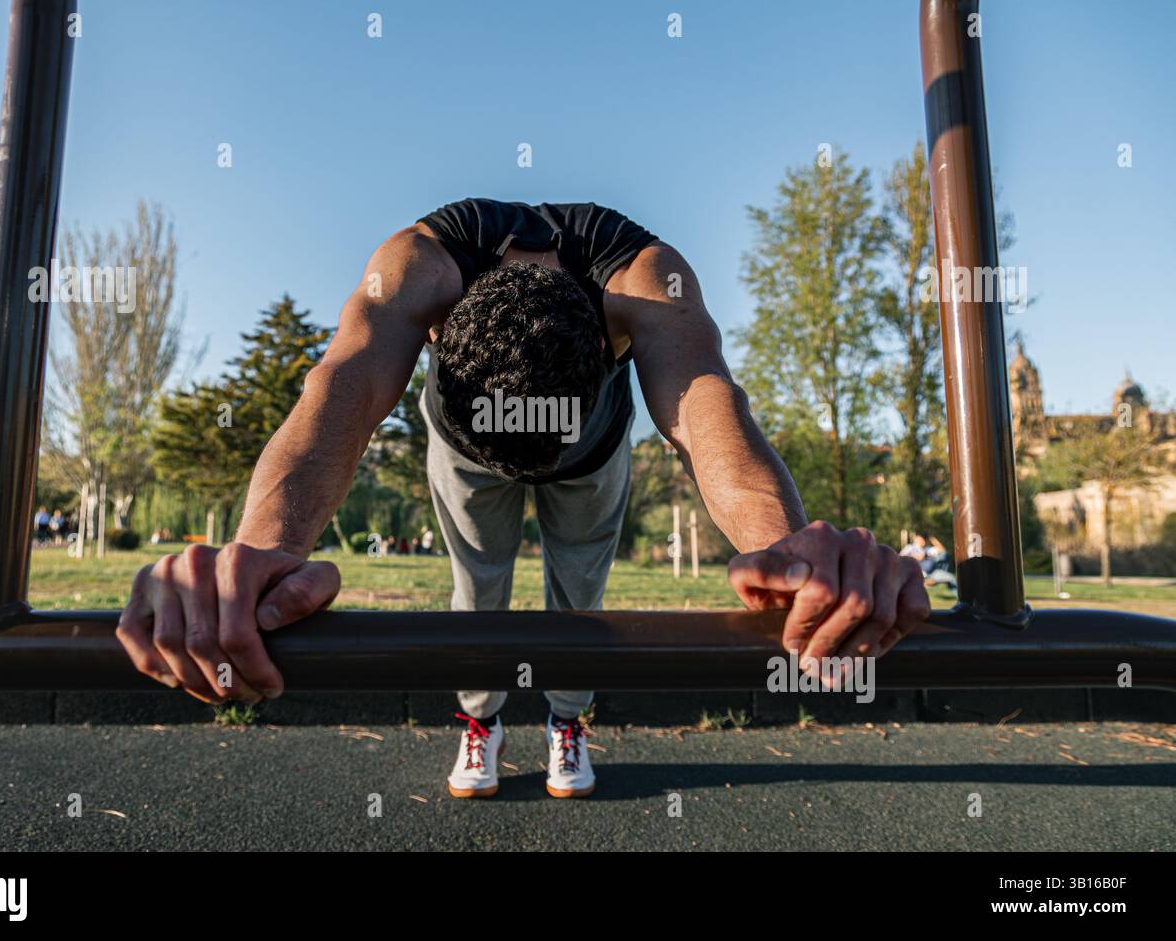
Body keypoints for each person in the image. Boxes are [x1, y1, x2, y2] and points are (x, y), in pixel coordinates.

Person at [118, 198, 931, 800]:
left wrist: (786, 547)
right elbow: (343, 390)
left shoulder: (647, 280)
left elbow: (710, 408)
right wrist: (264, 549)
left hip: (590, 452)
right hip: (464, 451)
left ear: (602, 345)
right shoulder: (416, 267)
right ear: (440, 334)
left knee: (582, 591)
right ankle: (481, 719)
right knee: (478, 586)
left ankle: (566, 719)